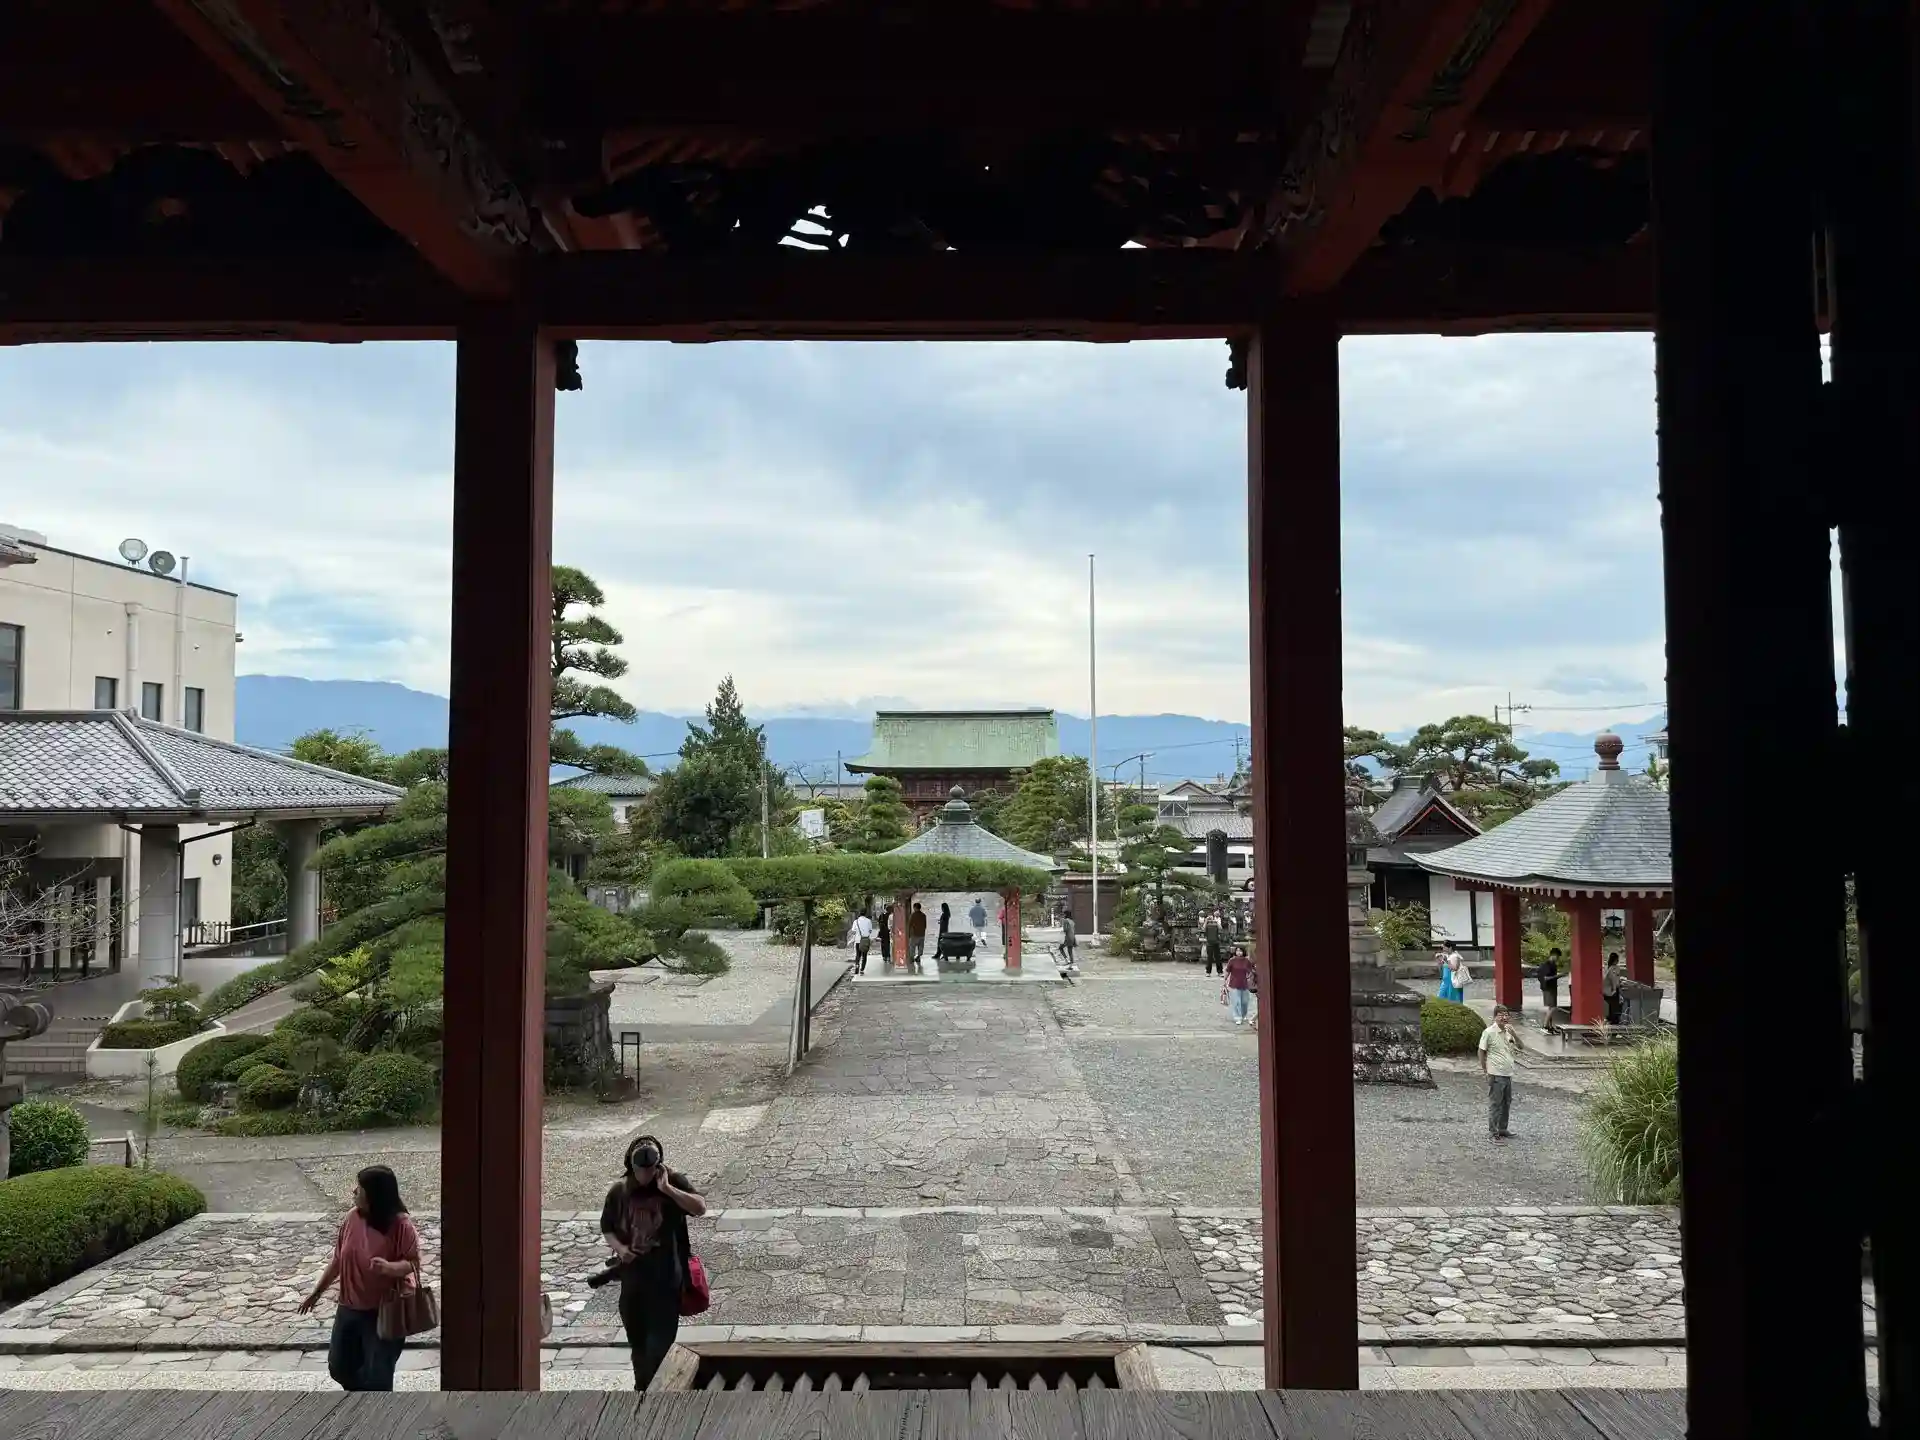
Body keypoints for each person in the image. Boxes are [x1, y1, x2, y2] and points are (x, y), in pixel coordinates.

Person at [299, 1165, 421, 1392]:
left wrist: (390, 1268)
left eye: (360, 1188)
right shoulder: (351, 1217)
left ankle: (372, 1408)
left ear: (374, 1194)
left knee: (378, 1378)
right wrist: (316, 1293)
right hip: (349, 1307)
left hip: (385, 1312)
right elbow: (338, 1260)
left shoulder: (401, 1225)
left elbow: (413, 1263)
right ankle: (361, 1398)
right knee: (339, 1367)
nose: (354, 1191)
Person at [601, 1134, 707, 1392]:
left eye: (650, 1170)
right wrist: (621, 1249)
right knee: (639, 1349)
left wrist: (668, 1189)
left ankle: (654, 1397)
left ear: (658, 1165)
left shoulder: (672, 1181)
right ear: (632, 1166)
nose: (645, 1176)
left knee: (659, 1350)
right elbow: (607, 1227)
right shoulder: (620, 1190)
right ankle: (642, 1393)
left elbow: (699, 1207)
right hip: (633, 1284)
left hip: (666, 1281)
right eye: (641, 1170)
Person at [1478, 1005, 1519, 1141]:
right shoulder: (1489, 1032)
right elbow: (1481, 1051)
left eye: (1506, 1015)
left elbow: (1521, 1046)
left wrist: (1514, 1034)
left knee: (1506, 1103)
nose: (1504, 1017)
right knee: (1495, 1104)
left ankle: (1502, 1128)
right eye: (1501, 1015)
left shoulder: (1509, 1032)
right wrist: (1485, 1070)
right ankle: (1493, 1131)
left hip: (1508, 1073)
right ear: (1495, 1017)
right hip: (1495, 1073)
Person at [1223, 945, 1254, 1026]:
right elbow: (1228, 970)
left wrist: (1250, 979)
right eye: (1237, 951)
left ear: (1243, 952)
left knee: (1244, 1002)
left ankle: (1243, 1015)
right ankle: (1237, 1017)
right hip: (1234, 983)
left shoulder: (1247, 961)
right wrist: (1225, 980)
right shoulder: (1232, 960)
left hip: (1244, 984)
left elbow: (1250, 972)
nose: (1239, 952)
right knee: (1236, 1002)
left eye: (1240, 951)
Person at [1537, 947, 1561, 1017]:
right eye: (1557, 956)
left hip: (1552, 987)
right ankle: (1545, 1023)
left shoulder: (1554, 965)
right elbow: (1545, 978)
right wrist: (1558, 976)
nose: (1558, 958)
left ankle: (1549, 1023)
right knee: (1552, 1007)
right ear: (1553, 955)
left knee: (1550, 1007)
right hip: (1548, 988)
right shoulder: (1546, 964)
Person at [849, 909, 875, 975]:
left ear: (859, 913)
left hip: (858, 940)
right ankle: (862, 970)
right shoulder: (868, 921)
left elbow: (853, 931)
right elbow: (870, 931)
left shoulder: (856, 921)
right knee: (864, 956)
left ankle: (857, 968)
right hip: (865, 941)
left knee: (858, 955)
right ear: (865, 913)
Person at [1603, 952, 1625, 1024]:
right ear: (1616, 960)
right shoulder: (1614, 968)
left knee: (1611, 1007)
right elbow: (1614, 980)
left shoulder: (1607, 967)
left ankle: (1610, 1019)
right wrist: (1615, 989)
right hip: (1612, 990)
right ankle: (1615, 1021)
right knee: (1615, 1007)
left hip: (1606, 990)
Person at [1203, 909, 1224, 976]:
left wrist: (1216, 922)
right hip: (1209, 942)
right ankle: (1208, 972)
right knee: (1209, 958)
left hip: (1216, 942)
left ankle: (1220, 972)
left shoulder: (1216, 922)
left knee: (1218, 957)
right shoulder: (1207, 923)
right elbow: (1203, 929)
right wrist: (1206, 921)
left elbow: (1220, 928)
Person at [908, 902, 928, 968]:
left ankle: (912, 958)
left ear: (915, 908)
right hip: (922, 934)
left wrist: (909, 933)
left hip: (914, 934)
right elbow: (925, 925)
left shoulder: (913, 915)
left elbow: (910, 924)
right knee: (921, 946)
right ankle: (918, 957)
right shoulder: (923, 915)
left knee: (912, 946)